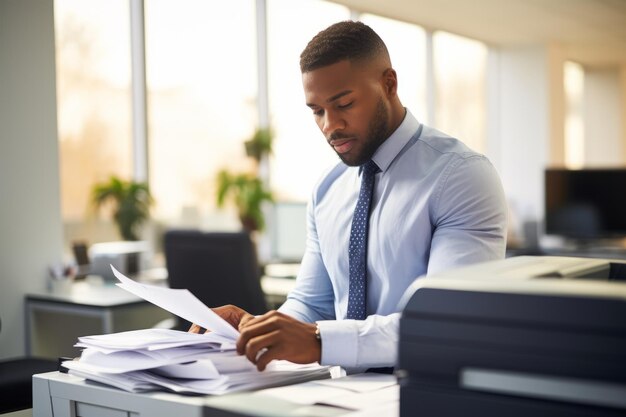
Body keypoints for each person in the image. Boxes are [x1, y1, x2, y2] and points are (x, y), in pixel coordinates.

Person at [191, 20, 507, 372]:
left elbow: (446, 325)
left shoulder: (460, 176)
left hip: (425, 390)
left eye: (343, 103)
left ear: (389, 84)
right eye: (317, 111)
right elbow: (312, 306)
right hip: (338, 392)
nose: (330, 125)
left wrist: (318, 341)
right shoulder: (327, 188)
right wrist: (258, 329)